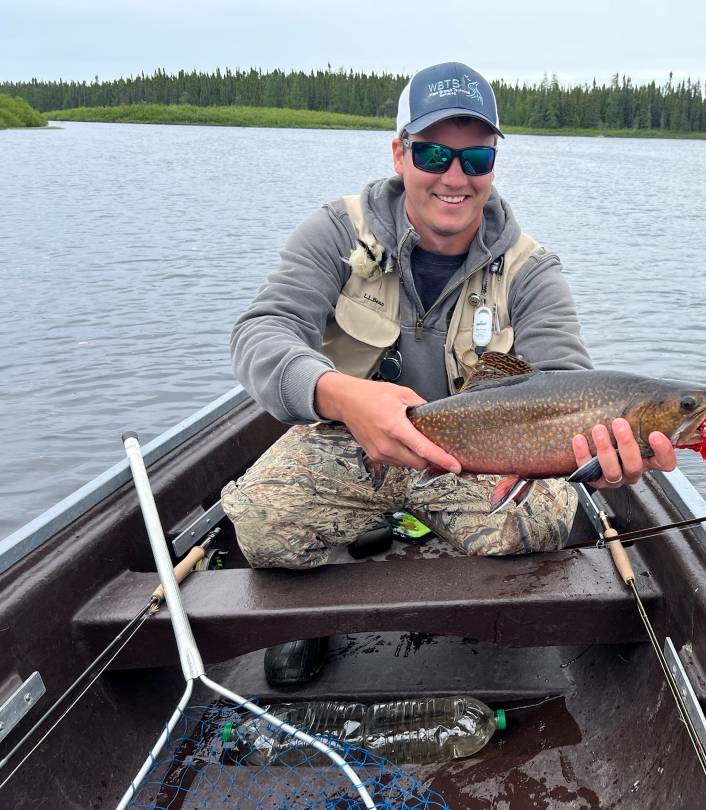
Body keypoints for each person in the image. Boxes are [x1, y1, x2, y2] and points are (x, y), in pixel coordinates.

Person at [221, 62, 677, 685]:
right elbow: (260, 333)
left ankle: (482, 605)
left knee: (543, 519)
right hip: (351, 441)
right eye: (434, 153)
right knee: (259, 525)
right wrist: (342, 395)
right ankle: (316, 605)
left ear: (493, 163)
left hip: (477, 461)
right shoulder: (335, 232)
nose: (454, 176)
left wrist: (603, 457)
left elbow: (566, 377)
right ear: (400, 153)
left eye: (476, 157)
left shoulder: (532, 270)